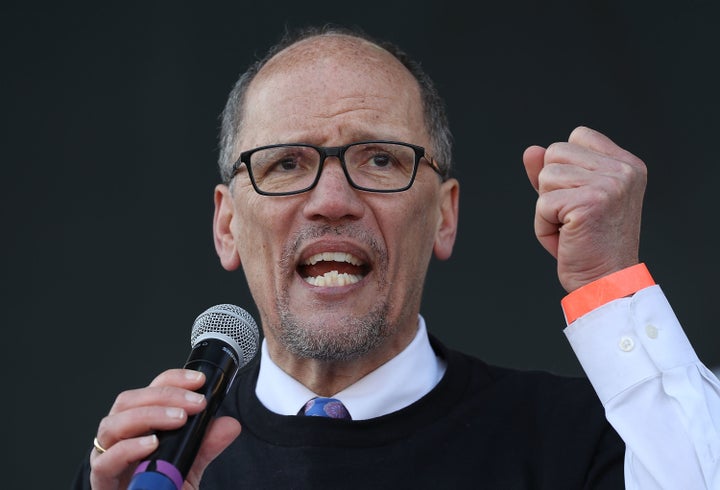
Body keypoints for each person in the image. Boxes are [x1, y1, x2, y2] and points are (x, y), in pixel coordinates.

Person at [73, 25, 720, 489]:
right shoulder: (150, 470)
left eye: (380, 159)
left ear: (444, 214)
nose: (332, 200)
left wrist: (609, 285)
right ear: (226, 225)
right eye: (286, 163)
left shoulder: (582, 440)